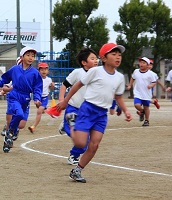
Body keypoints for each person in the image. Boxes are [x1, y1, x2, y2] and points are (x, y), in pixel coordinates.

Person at [57, 43, 132, 183]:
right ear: (104, 58)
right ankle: (71, 122)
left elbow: (119, 96)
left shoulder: (120, 77)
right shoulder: (95, 71)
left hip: (101, 114)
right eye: (114, 54)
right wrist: (66, 100)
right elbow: (77, 85)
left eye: (119, 55)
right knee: (80, 143)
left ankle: (77, 170)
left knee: (94, 145)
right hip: (88, 109)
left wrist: (126, 111)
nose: (118, 57)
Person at [0, 46, 43, 153]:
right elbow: (5, 78)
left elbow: (37, 87)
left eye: (33, 56)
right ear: (22, 57)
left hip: (25, 98)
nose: (30, 58)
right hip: (14, 95)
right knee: (19, 115)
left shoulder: (35, 73)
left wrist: (37, 98)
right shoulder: (15, 69)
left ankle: (9, 136)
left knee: (21, 125)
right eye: (28, 55)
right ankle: (10, 132)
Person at [57, 48, 98, 165]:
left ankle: (73, 155)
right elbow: (64, 86)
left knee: (86, 141)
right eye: (92, 58)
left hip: (86, 112)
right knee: (79, 137)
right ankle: (66, 126)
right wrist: (62, 100)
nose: (96, 61)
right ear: (84, 62)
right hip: (73, 108)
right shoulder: (77, 73)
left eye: (96, 58)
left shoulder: (98, 74)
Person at [127, 57, 157, 126]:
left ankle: (147, 120)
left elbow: (154, 82)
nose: (141, 64)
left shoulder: (151, 74)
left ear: (147, 65)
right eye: (140, 62)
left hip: (146, 94)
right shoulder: (136, 71)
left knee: (146, 107)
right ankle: (142, 112)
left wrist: (151, 85)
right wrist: (130, 85)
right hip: (138, 92)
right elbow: (132, 78)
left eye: (143, 63)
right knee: (137, 105)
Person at [28, 62, 54, 133]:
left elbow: (51, 89)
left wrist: (52, 86)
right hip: (37, 97)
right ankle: (48, 110)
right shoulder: (36, 79)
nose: (44, 71)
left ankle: (33, 127)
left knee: (39, 111)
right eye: (42, 69)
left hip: (45, 98)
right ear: (38, 71)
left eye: (45, 69)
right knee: (39, 108)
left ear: (48, 71)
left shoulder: (49, 80)